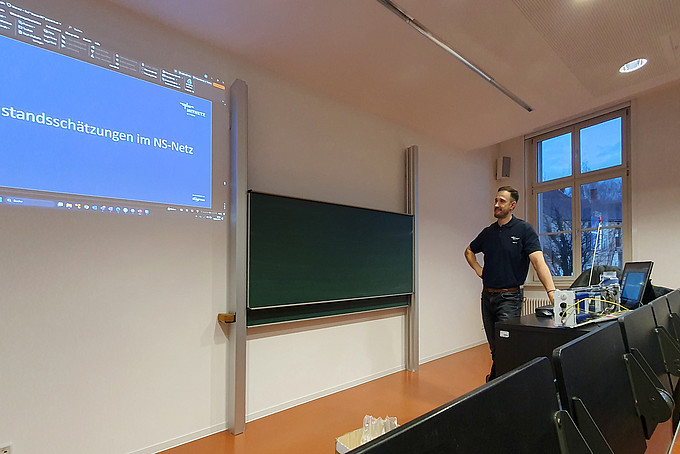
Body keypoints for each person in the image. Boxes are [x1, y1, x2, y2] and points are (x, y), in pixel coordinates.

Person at [464, 186, 556, 381]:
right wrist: (478, 269)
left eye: (502, 201)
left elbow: (538, 262)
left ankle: (497, 384)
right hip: (487, 297)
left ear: (513, 205)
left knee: (506, 348)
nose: (497, 205)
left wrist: (551, 291)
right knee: (495, 348)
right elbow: (469, 251)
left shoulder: (524, 230)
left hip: (509, 298)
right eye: (496, 200)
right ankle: (497, 383)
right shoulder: (488, 233)